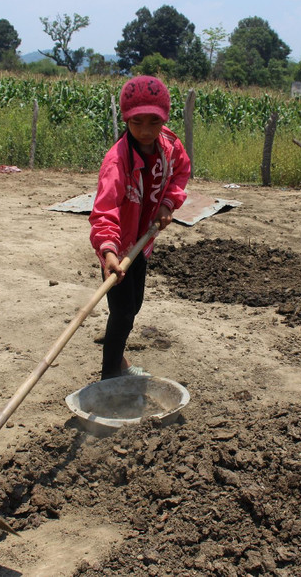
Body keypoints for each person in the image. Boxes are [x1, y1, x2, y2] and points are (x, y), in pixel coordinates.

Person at [89, 76, 190, 380]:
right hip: (118, 248)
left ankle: (118, 361)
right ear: (126, 119)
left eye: (153, 122)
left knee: (134, 306)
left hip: (143, 241)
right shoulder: (117, 162)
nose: (145, 131)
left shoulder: (170, 148)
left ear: (164, 119)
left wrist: (168, 204)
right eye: (137, 123)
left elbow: (180, 175)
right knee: (121, 313)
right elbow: (104, 211)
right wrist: (108, 251)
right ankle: (110, 374)